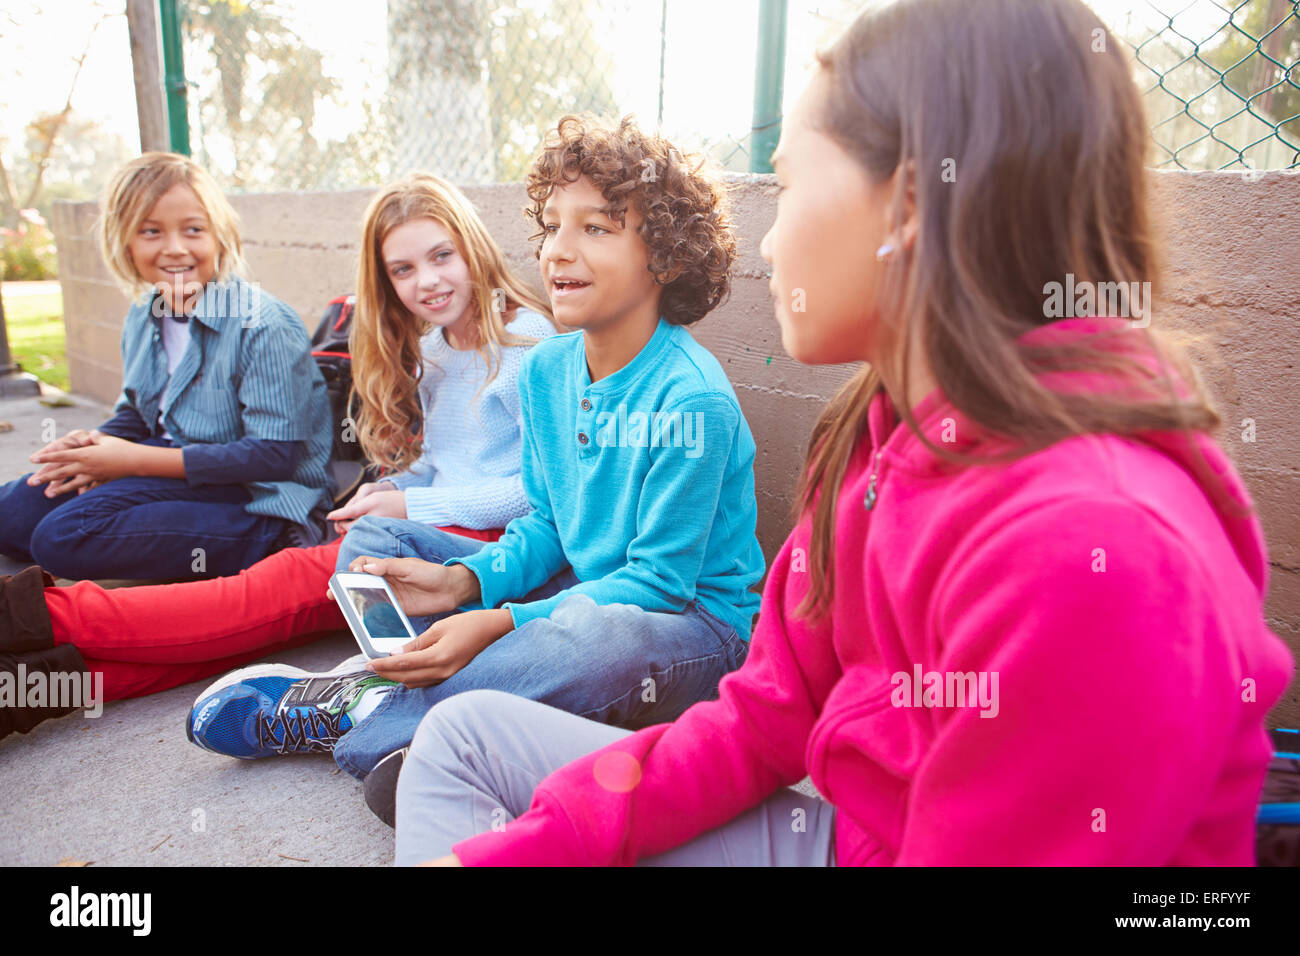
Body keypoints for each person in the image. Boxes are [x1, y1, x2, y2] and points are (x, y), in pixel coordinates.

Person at [391, 0, 1296, 866]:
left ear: (905, 205)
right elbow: (763, 720)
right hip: (853, 838)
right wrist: (522, 848)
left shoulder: (1089, 551)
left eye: (786, 188)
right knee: (464, 739)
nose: (773, 243)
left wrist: (509, 623)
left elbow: (659, 592)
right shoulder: (873, 432)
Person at [187, 116, 766, 829]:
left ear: (668, 259)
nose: (558, 250)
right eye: (552, 225)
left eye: (597, 228)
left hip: (689, 627)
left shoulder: (690, 398)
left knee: (589, 639)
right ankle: (430, 706)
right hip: (581, 586)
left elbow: (656, 584)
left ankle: (367, 716)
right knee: (375, 548)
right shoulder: (552, 366)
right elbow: (550, 523)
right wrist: (468, 581)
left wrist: (497, 621)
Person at [0, 172, 553, 740]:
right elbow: (441, 461)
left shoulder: (529, 345)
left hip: (483, 547)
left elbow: (538, 495)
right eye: (403, 270)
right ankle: (32, 687)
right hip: (424, 527)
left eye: (442, 256)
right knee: (258, 627)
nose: (428, 281)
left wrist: (412, 508)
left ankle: (24, 616)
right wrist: (390, 490)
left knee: (259, 597)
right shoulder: (436, 346)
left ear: (473, 248)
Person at [0, 151, 331, 581]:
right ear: (126, 244)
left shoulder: (262, 323)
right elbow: (139, 415)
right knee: (11, 515)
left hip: (256, 497)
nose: (175, 249)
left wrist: (128, 462)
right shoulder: (144, 315)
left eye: (193, 230)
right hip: (174, 469)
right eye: (151, 231)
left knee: (61, 537)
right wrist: (97, 444)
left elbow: (275, 457)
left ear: (220, 236)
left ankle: (259, 544)